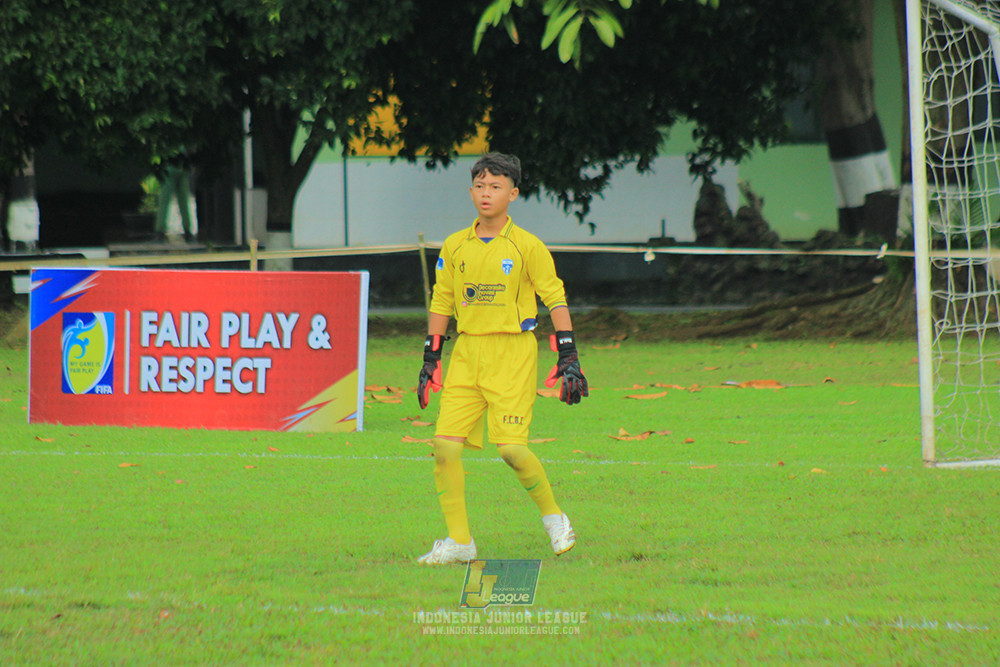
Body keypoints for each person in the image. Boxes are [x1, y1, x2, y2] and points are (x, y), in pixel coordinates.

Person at [416, 153, 589, 565]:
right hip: (467, 351)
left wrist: (569, 354)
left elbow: (555, 298)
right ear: (471, 191)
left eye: (495, 186)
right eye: (479, 185)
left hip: (512, 353)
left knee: (511, 449)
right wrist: (431, 356)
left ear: (513, 193)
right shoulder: (455, 245)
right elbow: (442, 300)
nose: (486, 193)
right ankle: (460, 542)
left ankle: (554, 517)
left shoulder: (527, 246)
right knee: (444, 446)